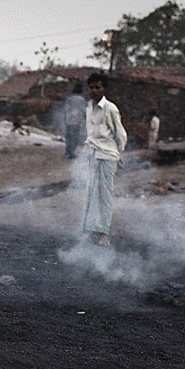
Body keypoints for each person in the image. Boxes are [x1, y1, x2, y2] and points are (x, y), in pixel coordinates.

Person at [81, 73, 127, 245]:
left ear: (104, 89)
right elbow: (90, 134)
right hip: (92, 154)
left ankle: (104, 233)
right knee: (90, 193)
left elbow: (120, 135)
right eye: (91, 87)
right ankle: (89, 229)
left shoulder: (110, 109)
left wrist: (118, 153)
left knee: (105, 194)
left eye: (97, 87)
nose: (94, 90)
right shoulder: (88, 108)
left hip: (107, 156)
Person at [64, 94, 85, 158]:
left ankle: (67, 150)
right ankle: (71, 153)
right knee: (75, 137)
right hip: (76, 120)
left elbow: (66, 109)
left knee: (68, 136)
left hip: (69, 119)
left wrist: (65, 118)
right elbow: (83, 109)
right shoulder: (81, 99)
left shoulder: (69, 98)